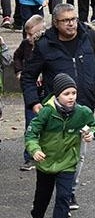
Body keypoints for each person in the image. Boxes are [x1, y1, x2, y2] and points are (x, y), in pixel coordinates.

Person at [21, 3, 95, 115]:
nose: (71, 24)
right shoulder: (44, 45)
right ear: (55, 23)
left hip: (87, 109)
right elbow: (28, 77)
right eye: (66, 20)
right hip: (55, 113)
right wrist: (34, 102)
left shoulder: (92, 37)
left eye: (73, 19)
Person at [26, 73, 95, 218]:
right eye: (66, 94)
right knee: (42, 198)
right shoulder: (46, 112)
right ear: (57, 95)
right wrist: (34, 150)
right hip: (45, 162)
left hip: (68, 163)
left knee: (63, 198)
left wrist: (92, 133)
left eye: (74, 93)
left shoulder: (82, 112)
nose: (71, 97)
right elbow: (31, 134)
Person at [13, 14, 46, 171]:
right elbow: (17, 57)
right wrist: (19, 71)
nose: (28, 37)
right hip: (31, 90)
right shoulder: (25, 45)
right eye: (26, 34)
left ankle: (45, 153)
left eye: (30, 34)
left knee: (46, 123)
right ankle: (29, 157)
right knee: (31, 124)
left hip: (45, 91)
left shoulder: (47, 45)